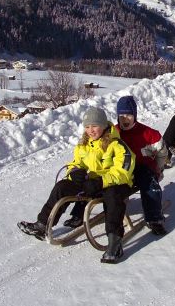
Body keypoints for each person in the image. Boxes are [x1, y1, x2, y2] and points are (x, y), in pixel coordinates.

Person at [18, 107, 135, 264]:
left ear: (103, 125)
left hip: (113, 184)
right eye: (87, 127)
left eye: (94, 126)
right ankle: (43, 224)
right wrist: (73, 171)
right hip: (90, 185)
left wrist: (101, 181)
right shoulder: (83, 145)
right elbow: (75, 163)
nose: (90, 130)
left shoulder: (117, 145)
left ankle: (115, 242)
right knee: (62, 186)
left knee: (113, 196)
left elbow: (123, 171)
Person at [65, 96, 169, 236]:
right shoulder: (111, 133)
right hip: (117, 170)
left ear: (135, 115)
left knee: (149, 182)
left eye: (129, 115)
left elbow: (162, 153)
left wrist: (158, 168)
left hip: (140, 168)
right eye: (122, 115)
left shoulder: (149, 134)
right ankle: (79, 213)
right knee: (93, 179)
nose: (125, 119)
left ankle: (155, 219)